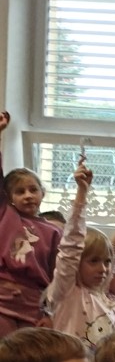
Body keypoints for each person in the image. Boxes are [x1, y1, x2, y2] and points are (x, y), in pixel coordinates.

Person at [44, 155, 115, 352]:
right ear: (77, 263)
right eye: (93, 261)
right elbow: (71, 247)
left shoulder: (102, 297)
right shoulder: (65, 291)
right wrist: (82, 193)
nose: (103, 269)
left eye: (107, 262)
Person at [0, 111, 61, 336]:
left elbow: (58, 275)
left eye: (33, 190)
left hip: (33, 305)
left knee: (25, 353)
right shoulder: (6, 215)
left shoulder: (53, 231)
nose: (27, 195)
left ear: (42, 193)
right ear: (9, 197)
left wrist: (50, 311)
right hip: (3, 302)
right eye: (20, 191)